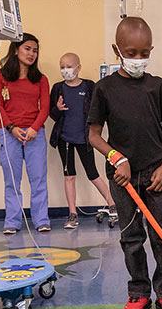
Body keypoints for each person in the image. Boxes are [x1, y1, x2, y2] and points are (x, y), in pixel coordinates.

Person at [88, 17, 162, 309]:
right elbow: (94, 135)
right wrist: (117, 158)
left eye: (144, 53)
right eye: (130, 53)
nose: (137, 59)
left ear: (151, 50)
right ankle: (138, 292)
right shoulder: (104, 89)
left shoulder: (158, 87)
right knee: (131, 237)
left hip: (157, 174)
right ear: (116, 50)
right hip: (123, 178)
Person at [0, 33, 51, 234]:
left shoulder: (41, 80)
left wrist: (34, 128)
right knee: (11, 180)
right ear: (16, 49)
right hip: (9, 135)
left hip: (35, 135)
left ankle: (41, 220)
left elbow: (45, 108)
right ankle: (12, 221)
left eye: (35, 50)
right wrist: (11, 128)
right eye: (27, 48)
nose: (31, 54)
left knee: (38, 179)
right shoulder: (0, 77)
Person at [49, 53, 115, 229]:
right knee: (69, 176)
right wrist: (58, 108)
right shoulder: (57, 88)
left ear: (78, 67)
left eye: (69, 66)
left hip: (85, 138)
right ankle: (72, 213)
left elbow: (98, 111)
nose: (65, 70)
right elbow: (52, 115)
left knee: (92, 173)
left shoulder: (89, 86)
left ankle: (113, 204)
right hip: (65, 139)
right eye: (62, 66)